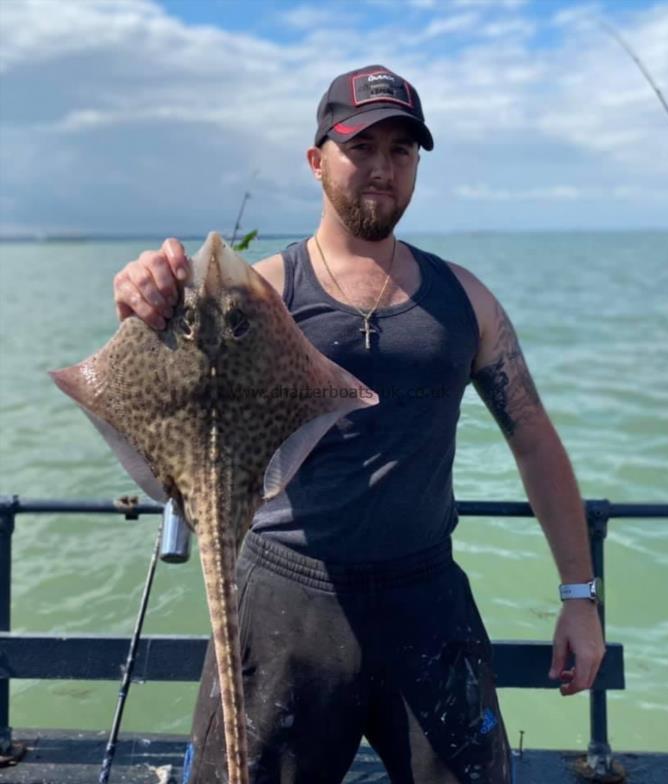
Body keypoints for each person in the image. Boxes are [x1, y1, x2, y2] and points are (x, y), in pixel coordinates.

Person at [113, 65, 605, 784]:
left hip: (427, 602)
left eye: (401, 150)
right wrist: (141, 302)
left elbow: (532, 439)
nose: (382, 168)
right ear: (317, 161)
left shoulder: (465, 301)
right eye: (360, 147)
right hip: (285, 597)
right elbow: (168, 399)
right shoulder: (264, 296)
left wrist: (579, 597)